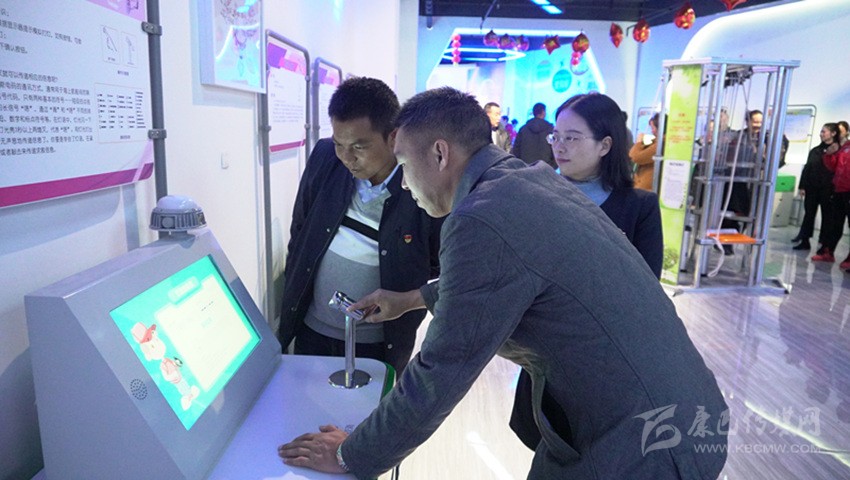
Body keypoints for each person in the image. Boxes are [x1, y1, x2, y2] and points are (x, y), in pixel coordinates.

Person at [278, 87, 728, 478]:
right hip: (675, 410)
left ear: (440, 154)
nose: (405, 185)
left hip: (643, 440)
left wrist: (350, 454)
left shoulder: (480, 218)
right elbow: (506, 275)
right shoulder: (524, 180)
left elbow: (442, 368)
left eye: (403, 165)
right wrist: (412, 299)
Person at [510, 92, 664, 450]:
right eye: (557, 136)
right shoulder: (533, 196)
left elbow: (646, 289)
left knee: (600, 451)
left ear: (605, 145)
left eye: (572, 137)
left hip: (608, 358)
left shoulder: (638, 207)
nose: (559, 146)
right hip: (545, 355)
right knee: (546, 443)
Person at [276, 77, 442, 375]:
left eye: (359, 146)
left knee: (369, 405)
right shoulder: (325, 158)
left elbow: (436, 262)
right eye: (339, 144)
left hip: (378, 341)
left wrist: (404, 294)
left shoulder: (421, 183)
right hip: (313, 329)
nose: (347, 157)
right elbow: (301, 231)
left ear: (393, 137)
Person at [791, 123, 839, 252]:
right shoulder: (815, 150)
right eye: (821, 131)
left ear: (833, 133)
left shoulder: (837, 151)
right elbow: (807, 168)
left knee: (827, 216)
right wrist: (802, 186)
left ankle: (824, 244)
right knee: (809, 214)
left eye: (824, 132)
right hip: (812, 188)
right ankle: (805, 240)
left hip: (828, 189)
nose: (821, 134)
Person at [815, 128, 850, 266]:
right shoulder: (844, 148)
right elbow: (833, 167)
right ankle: (828, 252)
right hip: (840, 189)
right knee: (835, 222)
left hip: (847, 189)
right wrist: (829, 155)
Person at [511, 102, 556, 168]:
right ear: (543, 112)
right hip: (545, 168)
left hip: (525, 168)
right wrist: (552, 166)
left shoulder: (523, 129)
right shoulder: (549, 131)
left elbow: (516, 150)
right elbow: (554, 148)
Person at [629, 111, 661, 191]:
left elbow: (635, 157)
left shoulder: (660, 145)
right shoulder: (656, 143)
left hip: (647, 189)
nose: (652, 131)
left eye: (653, 128)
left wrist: (639, 142)